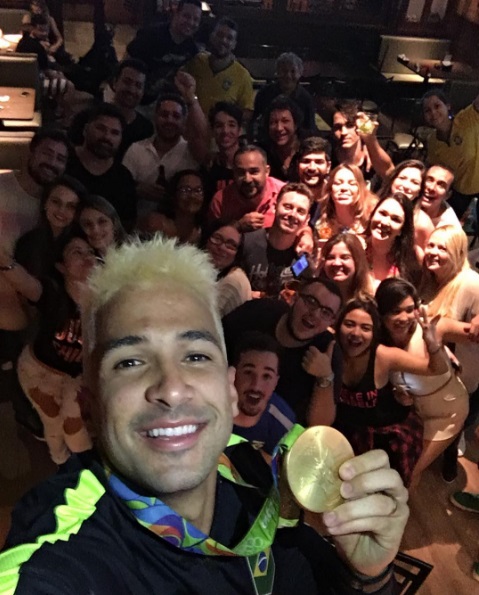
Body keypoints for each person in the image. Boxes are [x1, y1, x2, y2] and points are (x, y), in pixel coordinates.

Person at [0, 235, 409, 593]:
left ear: (230, 391)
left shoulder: (258, 477)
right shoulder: (60, 553)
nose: (172, 388)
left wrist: (366, 575)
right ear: (89, 406)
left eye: (196, 356)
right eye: (129, 362)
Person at [331, 297, 449, 486]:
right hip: (343, 431)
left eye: (365, 328)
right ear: (338, 326)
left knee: (388, 489)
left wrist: (432, 343)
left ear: (374, 333)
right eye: (349, 324)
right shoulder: (330, 347)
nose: (356, 333)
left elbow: (438, 368)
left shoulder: (383, 356)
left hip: (387, 434)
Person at [0, 232, 96, 464]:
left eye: (90, 252)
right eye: (77, 253)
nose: (87, 257)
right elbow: (25, 283)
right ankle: (60, 460)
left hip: (75, 377)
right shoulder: (52, 292)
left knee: (74, 430)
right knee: (52, 425)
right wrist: (3, 261)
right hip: (39, 373)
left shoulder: (103, 300)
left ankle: (88, 469)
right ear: (61, 267)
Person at [376, 278, 472, 487]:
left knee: (410, 471)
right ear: (382, 314)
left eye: (410, 309)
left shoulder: (436, 327)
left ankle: (402, 506)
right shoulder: (380, 342)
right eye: (395, 311)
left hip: (448, 413)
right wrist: (398, 394)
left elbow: (472, 333)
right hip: (415, 414)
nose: (404, 318)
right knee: (397, 464)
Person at [223, 277, 342, 425]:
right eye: (311, 301)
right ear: (294, 298)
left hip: (279, 433)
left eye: (326, 312)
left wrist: (324, 377)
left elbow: (319, 425)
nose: (315, 314)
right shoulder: (258, 312)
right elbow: (209, 347)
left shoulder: (327, 351)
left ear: (331, 322)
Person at [0, 129, 70, 374]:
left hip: (25, 326)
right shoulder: (2, 186)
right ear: (31, 152)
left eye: (60, 159)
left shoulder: (56, 209)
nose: (52, 162)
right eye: (47, 153)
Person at [122, 72, 208, 220]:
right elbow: (120, 186)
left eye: (176, 116)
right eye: (164, 115)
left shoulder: (191, 151)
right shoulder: (136, 149)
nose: (170, 120)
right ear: (155, 117)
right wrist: (137, 189)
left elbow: (202, 135)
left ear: (184, 121)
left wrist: (191, 98)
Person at [67, 103, 137, 229]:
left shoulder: (123, 178)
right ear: (85, 129)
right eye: (100, 128)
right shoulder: (63, 160)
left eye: (115, 133)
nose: (107, 137)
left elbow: (125, 226)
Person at [240, 182, 312, 296]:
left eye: (300, 211)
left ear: (307, 219)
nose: (293, 214)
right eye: (288, 207)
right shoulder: (247, 242)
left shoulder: (302, 259)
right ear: (274, 206)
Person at [125, 0, 202, 104]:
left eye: (196, 19)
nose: (191, 22)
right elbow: (126, 62)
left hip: (160, 102)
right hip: (133, 96)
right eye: (186, 16)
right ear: (176, 13)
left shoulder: (191, 49)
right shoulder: (150, 35)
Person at [232, 331, 295, 457]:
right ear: (233, 374)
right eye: (248, 372)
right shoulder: (207, 407)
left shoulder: (283, 424)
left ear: (276, 382)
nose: (256, 386)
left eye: (266, 376)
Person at [422, 88, 479, 219]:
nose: (433, 113)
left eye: (437, 106)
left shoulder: (466, 119)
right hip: (459, 195)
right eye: (427, 110)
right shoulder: (432, 141)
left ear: (447, 106)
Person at [15, 175, 88, 278]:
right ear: (45, 203)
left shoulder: (82, 245)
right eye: (56, 202)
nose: (61, 210)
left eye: (71, 206)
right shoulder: (27, 243)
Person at [183, 17, 254, 120]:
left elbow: (247, 112)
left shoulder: (243, 76)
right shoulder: (196, 62)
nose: (223, 40)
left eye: (229, 38)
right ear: (212, 36)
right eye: (220, 35)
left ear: (234, 44)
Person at [207, 145, 284, 231]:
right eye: (241, 172)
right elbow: (211, 236)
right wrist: (238, 226)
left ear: (266, 171)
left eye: (254, 172)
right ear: (234, 173)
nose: (247, 179)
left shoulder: (283, 193)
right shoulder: (221, 200)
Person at [378, 160, 433, 260]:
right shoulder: (374, 205)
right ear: (393, 180)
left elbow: (427, 259)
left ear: (419, 191)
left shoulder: (422, 223)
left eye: (414, 182)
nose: (406, 185)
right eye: (402, 178)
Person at [365, 192, 421, 289]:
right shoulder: (355, 248)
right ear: (372, 215)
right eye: (382, 213)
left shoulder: (411, 260)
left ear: (402, 230)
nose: (385, 222)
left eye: (395, 219)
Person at [252, 52, 317, 134]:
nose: (288, 76)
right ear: (277, 72)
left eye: (293, 71)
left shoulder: (306, 99)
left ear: (300, 73)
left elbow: (310, 129)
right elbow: (255, 122)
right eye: (284, 71)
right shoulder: (264, 94)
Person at [331, 101, 393, 182]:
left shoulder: (375, 154)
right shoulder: (327, 154)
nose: (343, 132)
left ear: (360, 125)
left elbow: (390, 174)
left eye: (350, 125)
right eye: (338, 127)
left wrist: (369, 140)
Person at [314, 163, 375, 244]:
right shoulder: (322, 225)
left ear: (360, 189)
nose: (344, 188)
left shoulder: (371, 221)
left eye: (352, 184)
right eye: (338, 183)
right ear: (330, 190)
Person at [140, 169, 204, 244]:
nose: (192, 196)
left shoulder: (200, 231)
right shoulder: (155, 224)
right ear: (173, 194)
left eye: (198, 190)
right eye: (185, 190)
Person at [204, 222, 251, 316]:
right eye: (217, 239)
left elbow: (205, 318)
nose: (221, 247)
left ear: (238, 253)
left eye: (231, 245)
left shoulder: (232, 280)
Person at [317, 232, 374, 302]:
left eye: (344, 257)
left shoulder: (372, 298)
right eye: (331, 257)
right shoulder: (313, 298)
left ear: (357, 261)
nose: (336, 263)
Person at [260, 95, 306, 181]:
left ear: (295, 124)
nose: (279, 128)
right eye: (273, 122)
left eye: (285, 121)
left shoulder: (307, 149)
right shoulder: (261, 153)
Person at [205, 101, 243, 197]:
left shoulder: (252, 163)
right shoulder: (209, 168)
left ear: (240, 130)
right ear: (212, 130)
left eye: (231, 125)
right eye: (219, 126)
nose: (225, 131)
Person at [296, 136, 332, 217]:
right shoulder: (287, 194)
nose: (312, 168)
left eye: (318, 162)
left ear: (328, 166)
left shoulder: (335, 197)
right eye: (306, 161)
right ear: (297, 164)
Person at [420, 164, 462, 229]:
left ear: (447, 195)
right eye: (429, 180)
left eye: (441, 185)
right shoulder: (408, 197)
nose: (431, 188)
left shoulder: (449, 228)